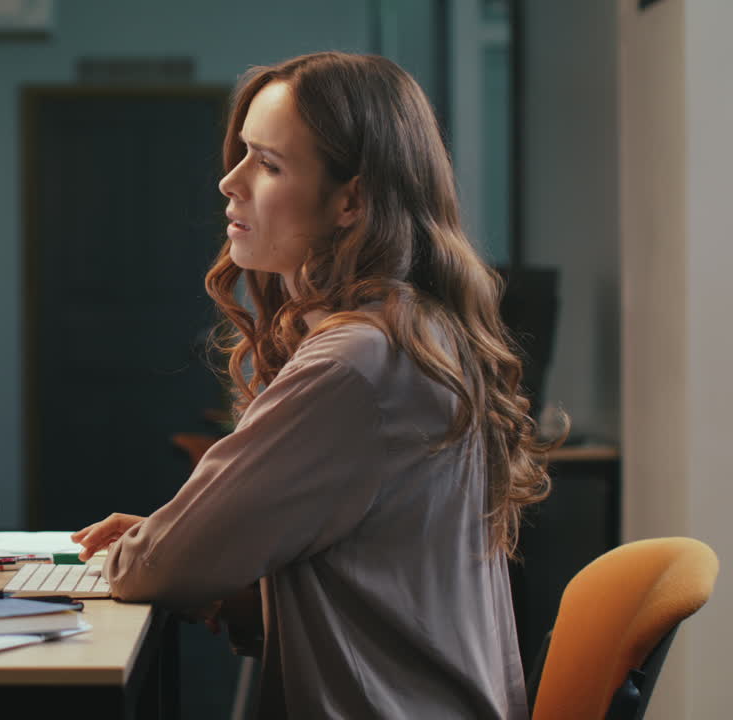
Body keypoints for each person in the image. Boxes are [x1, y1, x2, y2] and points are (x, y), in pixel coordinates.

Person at [71, 52, 564, 719]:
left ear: (352, 200)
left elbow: (152, 569)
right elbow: (380, 584)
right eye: (243, 153)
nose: (230, 182)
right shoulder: (416, 330)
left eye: (268, 164)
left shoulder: (354, 366)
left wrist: (166, 545)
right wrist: (201, 554)